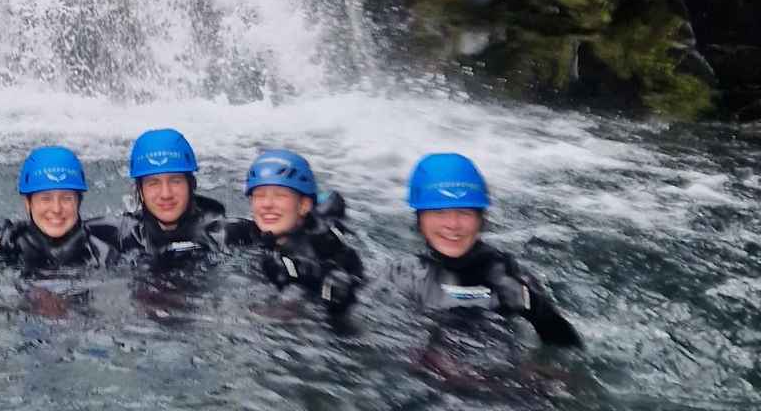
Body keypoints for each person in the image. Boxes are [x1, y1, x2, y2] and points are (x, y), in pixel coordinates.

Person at [377, 153, 582, 347]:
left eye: (464, 212)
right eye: (439, 212)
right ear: (419, 220)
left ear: (480, 219)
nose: (453, 224)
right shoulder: (401, 274)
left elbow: (569, 349)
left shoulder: (510, 275)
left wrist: (537, 310)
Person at [224, 148, 364, 315]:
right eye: (259, 196)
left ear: (304, 205)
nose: (267, 204)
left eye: (280, 195)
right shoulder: (242, 234)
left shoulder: (325, 254)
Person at [0, 146, 121, 270]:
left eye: (67, 198)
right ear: (28, 203)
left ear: (79, 202)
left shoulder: (103, 258)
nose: (56, 209)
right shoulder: (6, 246)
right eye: (46, 198)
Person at [106, 128, 226, 263]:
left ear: (191, 185)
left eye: (175, 181)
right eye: (153, 183)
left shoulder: (224, 235)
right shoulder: (119, 237)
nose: (166, 194)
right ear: (140, 190)